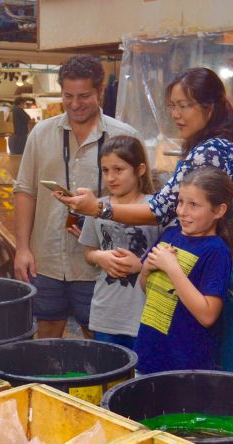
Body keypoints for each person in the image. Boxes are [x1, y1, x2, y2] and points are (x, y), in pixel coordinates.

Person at [59, 67, 233, 379]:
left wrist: (99, 209)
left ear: (208, 107)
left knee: (216, 378)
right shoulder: (227, 143)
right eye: (172, 106)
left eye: (184, 105)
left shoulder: (210, 152)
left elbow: (159, 208)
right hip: (229, 278)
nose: (176, 114)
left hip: (220, 282)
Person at [13, 55, 139, 339]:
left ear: (100, 91)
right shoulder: (41, 134)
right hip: (46, 258)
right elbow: (25, 192)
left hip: (99, 261)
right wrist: (22, 248)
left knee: (97, 335)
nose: (75, 104)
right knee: (46, 330)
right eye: (68, 96)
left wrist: (99, 209)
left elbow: (140, 200)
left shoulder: (125, 137)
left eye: (84, 96)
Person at [136, 167, 233, 374]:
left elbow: (208, 315)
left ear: (219, 211)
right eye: (181, 202)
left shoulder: (216, 251)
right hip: (148, 354)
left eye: (194, 205)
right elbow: (148, 289)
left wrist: (172, 268)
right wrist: (146, 269)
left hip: (185, 366)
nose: (182, 211)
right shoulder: (170, 234)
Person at [75, 135, 160, 350]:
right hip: (106, 315)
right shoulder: (96, 207)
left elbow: (173, 257)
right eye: (105, 170)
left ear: (139, 169)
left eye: (119, 169)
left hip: (145, 315)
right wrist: (99, 257)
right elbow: (89, 251)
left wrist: (142, 266)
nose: (111, 177)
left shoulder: (155, 209)